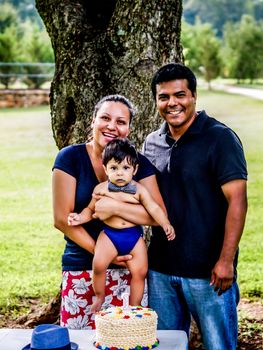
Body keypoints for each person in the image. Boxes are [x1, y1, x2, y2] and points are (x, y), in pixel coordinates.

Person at [142, 63, 248, 350]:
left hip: (209, 272)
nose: (172, 103)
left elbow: (238, 201)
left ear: (194, 96)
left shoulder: (220, 138)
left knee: (219, 346)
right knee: (166, 346)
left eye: (180, 95)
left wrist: (226, 260)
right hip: (161, 270)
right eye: (164, 97)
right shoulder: (151, 143)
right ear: (156, 100)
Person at [52, 94, 166, 329]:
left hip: (131, 269)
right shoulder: (70, 158)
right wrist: (103, 255)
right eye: (105, 118)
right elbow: (62, 220)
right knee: (79, 341)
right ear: (93, 121)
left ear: (128, 129)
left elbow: (158, 215)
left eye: (121, 121)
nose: (112, 126)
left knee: (126, 339)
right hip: (83, 268)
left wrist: (114, 207)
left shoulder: (138, 164)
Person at [67, 138, 175, 313]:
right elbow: (90, 209)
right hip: (109, 235)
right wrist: (79, 218)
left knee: (140, 272)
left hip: (133, 236)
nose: (119, 173)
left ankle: (134, 307)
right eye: (114, 168)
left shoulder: (139, 189)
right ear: (105, 169)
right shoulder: (101, 189)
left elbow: (154, 207)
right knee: (99, 264)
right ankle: (100, 296)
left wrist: (165, 223)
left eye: (125, 168)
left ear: (135, 169)